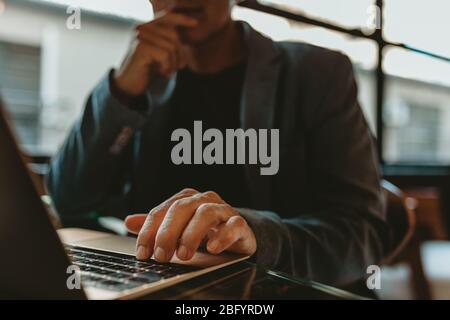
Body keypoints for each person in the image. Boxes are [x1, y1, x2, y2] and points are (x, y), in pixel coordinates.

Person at [47, 0, 391, 286]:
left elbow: (363, 235)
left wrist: (259, 235)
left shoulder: (317, 73)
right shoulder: (139, 80)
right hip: (159, 284)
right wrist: (121, 93)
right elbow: (68, 198)